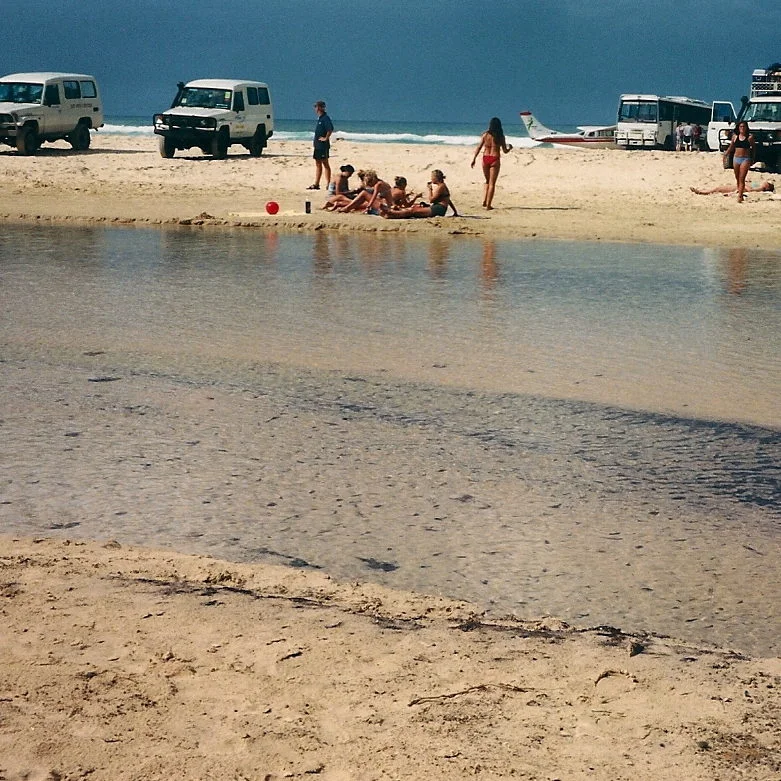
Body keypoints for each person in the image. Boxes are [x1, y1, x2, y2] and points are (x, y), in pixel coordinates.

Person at [470, 117, 513, 209]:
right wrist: (510, 148)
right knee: (492, 183)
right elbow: (505, 150)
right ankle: (488, 205)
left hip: (485, 158)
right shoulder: (500, 136)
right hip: (495, 158)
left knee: (487, 181)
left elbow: (479, 147)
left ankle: (485, 201)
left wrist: (474, 158)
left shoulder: (485, 135)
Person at [382, 169, 458, 218]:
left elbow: (431, 200)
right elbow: (448, 199)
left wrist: (430, 189)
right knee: (415, 209)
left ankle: (392, 214)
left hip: (438, 209)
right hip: (440, 208)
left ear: (436, 178)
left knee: (413, 211)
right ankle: (393, 213)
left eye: (432, 177)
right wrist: (455, 211)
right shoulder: (443, 186)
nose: (431, 179)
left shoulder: (440, 187)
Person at [723, 121, 756, 202]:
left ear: (746, 128)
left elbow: (754, 149)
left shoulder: (750, 137)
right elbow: (731, 147)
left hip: (745, 159)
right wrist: (725, 155)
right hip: (736, 158)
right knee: (737, 178)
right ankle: (739, 190)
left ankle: (740, 196)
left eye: (744, 126)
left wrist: (753, 159)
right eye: (740, 126)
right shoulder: (735, 137)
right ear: (738, 127)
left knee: (742, 178)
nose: (742, 128)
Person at [308, 101, 333, 190]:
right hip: (318, 145)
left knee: (325, 163)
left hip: (323, 145)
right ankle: (317, 183)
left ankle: (328, 184)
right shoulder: (320, 119)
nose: (315, 109)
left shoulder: (325, 118)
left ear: (319, 108)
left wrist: (326, 138)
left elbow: (330, 129)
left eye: (316, 107)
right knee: (318, 164)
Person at [690, 180, 774, 195]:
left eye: (768, 183)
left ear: (767, 187)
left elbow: (750, 190)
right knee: (717, 188)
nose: (766, 182)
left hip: (737, 188)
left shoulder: (760, 188)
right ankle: (701, 192)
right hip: (738, 186)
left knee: (717, 189)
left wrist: (745, 185)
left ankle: (701, 192)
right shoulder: (758, 185)